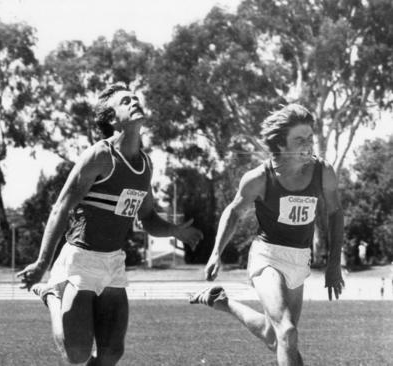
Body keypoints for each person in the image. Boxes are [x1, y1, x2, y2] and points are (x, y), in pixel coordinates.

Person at [17, 84, 203, 365]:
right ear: (112, 119)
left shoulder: (145, 165)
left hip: (114, 263)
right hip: (80, 260)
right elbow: (61, 207)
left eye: (136, 98)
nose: (134, 102)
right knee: (77, 354)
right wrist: (42, 263)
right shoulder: (100, 156)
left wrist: (176, 231)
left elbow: (148, 218)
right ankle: (52, 296)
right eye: (125, 101)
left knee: (111, 354)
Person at [189, 104, 344, 366]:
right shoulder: (259, 178)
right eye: (299, 140)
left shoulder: (323, 171)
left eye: (310, 139)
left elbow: (335, 213)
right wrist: (216, 252)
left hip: (300, 260)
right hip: (267, 257)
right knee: (287, 332)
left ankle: (224, 302)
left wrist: (333, 264)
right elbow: (234, 211)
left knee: (275, 337)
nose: (308, 146)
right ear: (281, 145)